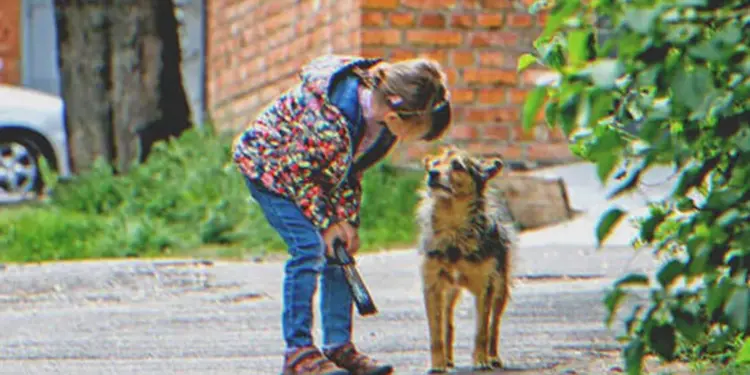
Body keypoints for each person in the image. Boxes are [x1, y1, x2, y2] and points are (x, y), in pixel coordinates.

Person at [233, 54, 452, 375]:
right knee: (308, 248)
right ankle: (298, 352)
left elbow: (350, 172)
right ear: (396, 110)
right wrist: (325, 223)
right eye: (416, 129)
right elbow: (299, 176)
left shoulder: (381, 129)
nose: (411, 139)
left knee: (340, 251)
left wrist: (346, 220)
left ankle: (337, 345)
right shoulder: (328, 117)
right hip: (271, 168)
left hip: (313, 174)